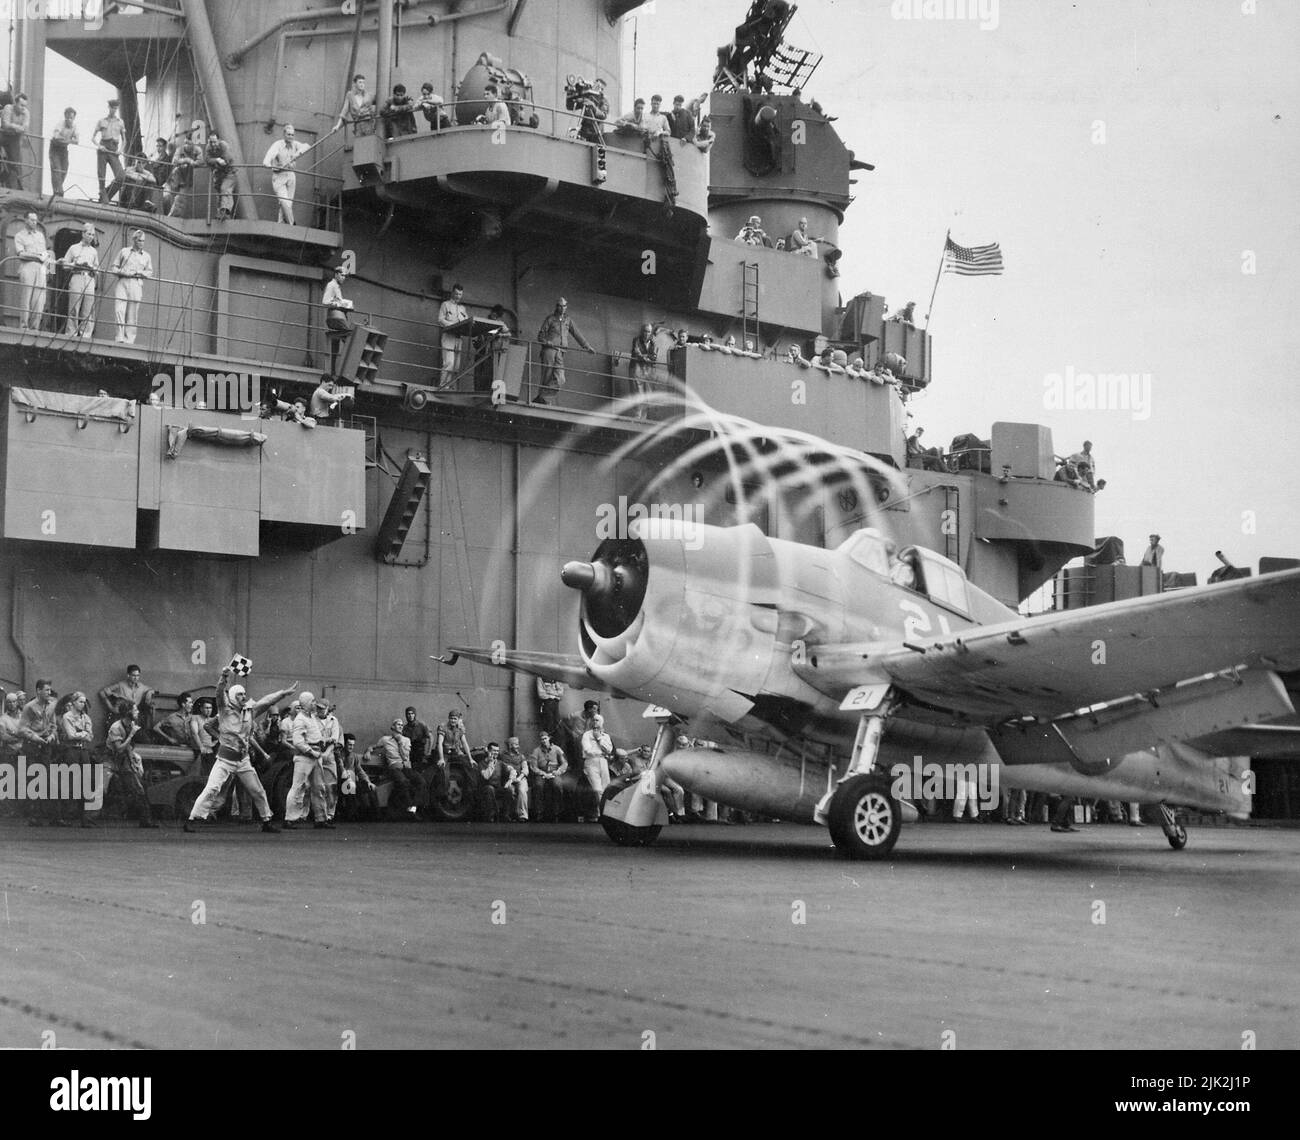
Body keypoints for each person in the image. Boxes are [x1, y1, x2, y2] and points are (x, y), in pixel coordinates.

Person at [184, 666, 294, 833]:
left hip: (243, 760)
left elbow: (266, 701)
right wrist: (224, 675)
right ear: (233, 697)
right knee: (212, 788)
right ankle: (193, 819)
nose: (244, 697)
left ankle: (266, 821)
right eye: (240, 694)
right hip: (225, 760)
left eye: (244, 694)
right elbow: (219, 693)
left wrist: (283, 693)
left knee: (257, 790)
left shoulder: (249, 711)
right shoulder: (224, 710)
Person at [104, 704, 159, 828]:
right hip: (112, 759)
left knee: (138, 787)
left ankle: (145, 820)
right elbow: (118, 748)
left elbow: (127, 748)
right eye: (135, 710)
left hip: (124, 759)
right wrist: (131, 734)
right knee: (134, 788)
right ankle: (145, 820)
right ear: (127, 712)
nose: (138, 712)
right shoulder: (116, 727)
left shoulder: (130, 724)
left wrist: (133, 759)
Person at [534, 297, 594, 405]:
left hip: (560, 352)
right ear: (557, 307)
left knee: (560, 379)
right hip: (549, 350)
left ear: (566, 307)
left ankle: (542, 397)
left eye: (564, 306)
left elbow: (577, 334)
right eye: (560, 306)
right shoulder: (550, 319)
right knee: (546, 376)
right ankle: (544, 401)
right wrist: (546, 341)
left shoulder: (568, 320)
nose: (562, 308)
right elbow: (540, 336)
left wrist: (587, 346)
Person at [19, 680, 60, 827]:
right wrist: (35, 737)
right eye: (47, 690)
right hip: (32, 745)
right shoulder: (29, 707)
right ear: (38, 691)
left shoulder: (51, 707)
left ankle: (52, 816)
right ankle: (34, 817)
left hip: (46, 745)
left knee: (49, 779)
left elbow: (54, 726)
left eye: (50, 690)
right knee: (34, 780)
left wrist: (51, 736)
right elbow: (22, 729)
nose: (49, 693)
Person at [371, 718, 428, 816]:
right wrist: (368, 751)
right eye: (398, 724)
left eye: (402, 725)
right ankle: (409, 808)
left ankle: (413, 806)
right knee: (403, 782)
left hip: (405, 767)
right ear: (393, 727)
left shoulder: (406, 740)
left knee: (421, 781)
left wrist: (400, 741)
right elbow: (374, 746)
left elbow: (405, 756)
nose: (401, 726)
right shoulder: (385, 739)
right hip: (394, 767)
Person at [57, 691, 96, 828]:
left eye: (84, 701)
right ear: (73, 702)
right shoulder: (67, 717)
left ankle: (86, 819)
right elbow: (70, 735)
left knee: (86, 782)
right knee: (70, 781)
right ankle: (66, 816)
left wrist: (82, 734)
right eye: (80, 701)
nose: (83, 704)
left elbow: (90, 736)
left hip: (83, 750)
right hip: (71, 751)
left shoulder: (86, 717)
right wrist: (83, 733)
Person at [110, 229, 153, 344]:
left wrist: (140, 273)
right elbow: (114, 268)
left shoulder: (146, 256)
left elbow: (149, 272)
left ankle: (129, 339)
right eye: (139, 241)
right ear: (134, 240)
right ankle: (119, 337)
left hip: (136, 283)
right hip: (123, 281)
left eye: (143, 241)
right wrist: (123, 272)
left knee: (133, 313)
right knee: (119, 310)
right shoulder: (124, 252)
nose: (141, 243)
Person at [262, 122, 310, 224]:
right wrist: (270, 165)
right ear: (284, 134)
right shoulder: (277, 145)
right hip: (279, 176)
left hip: (291, 175)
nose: (291, 137)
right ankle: (292, 223)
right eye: (288, 134)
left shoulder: (295, 144)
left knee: (288, 204)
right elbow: (267, 159)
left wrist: (296, 154)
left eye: (292, 135)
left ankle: (281, 224)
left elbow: (307, 146)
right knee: (284, 201)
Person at [62, 223, 100, 338]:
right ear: (83, 234)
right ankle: (71, 333)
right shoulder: (73, 248)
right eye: (89, 234)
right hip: (77, 277)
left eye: (93, 235)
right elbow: (64, 264)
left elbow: (97, 269)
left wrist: (92, 268)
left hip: (89, 279)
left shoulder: (94, 251)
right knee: (74, 307)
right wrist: (74, 264)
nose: (91, 237)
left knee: (87, 309)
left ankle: (85, 335)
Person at [13, 211, 49, 331]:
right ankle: (24, 326)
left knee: (38, 301)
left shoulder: (40, 235)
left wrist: (43, 259)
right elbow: (21, 254)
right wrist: (37, 256)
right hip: (27, 267)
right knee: (26, 299)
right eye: (32, 220)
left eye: (36, 220)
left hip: (40, 268)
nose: (35, 222)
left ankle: (35, 327)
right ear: (25, 220)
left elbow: (44, 253)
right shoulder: (19, 236)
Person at [580, 713, 615, 821]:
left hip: (603, 762)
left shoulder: (605, 736)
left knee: (605, 788)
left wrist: (599, 739)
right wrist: (601, 751)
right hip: (591, 762)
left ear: (601, 722)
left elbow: (609, 750)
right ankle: (601, 814)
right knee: (597, 789)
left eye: (597, 720)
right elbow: (587, 750)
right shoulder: (586, 735)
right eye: (594, 720)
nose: (595, 722)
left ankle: (604, 814)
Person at [528, 730, 567, 822]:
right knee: (538, 786)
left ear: (549, 738)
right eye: (542, 739)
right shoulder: (536, 751)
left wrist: (558, 771)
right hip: (542, 774)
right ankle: (539, 813)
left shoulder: (557, 749)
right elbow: (533, 766)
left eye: (545, 738)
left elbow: (564, 763)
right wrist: (543, 774)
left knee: (557, 785)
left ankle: (557, 813)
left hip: (554, 773)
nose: (544, 741)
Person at [322, 265, 354, 374]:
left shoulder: (336, 286)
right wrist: (339, 304)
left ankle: (333, 371)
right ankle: (351, 366)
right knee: (350, 338)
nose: (343, 278)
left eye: (345, 276)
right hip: (336, 318)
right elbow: (325, 302)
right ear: (336, 274)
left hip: (337, 317)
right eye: (342, 275)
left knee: (336, 345)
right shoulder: (332, 285)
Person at [92, 98, 125, 203]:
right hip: (103, 148)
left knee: (121, 177)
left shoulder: (120, 122)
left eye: (116, 108)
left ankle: (107, 193)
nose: (114, 110)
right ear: (109, 108)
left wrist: (121, 150)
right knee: (101, 175)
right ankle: (103, 193)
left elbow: (125, 140)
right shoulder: (102, 121)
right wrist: (99, 146)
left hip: (114, 150)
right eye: (112, 108)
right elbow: (93, 138)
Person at [437, 282, 469, 385]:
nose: (458, 296)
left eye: (460, 294)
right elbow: (440, 319)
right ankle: (443, 386)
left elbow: (467, 321)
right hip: (449, 337)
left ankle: (451, 386)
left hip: (458, 339)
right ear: (452, 293)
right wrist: (452, 325)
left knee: (456, 366)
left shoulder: (462, 309)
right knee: (449, 363)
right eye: (456, 294)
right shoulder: (445, 305)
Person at [163, 135, 202, 218]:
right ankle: (167, 215)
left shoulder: (197, 150)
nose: (186, 146)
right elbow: (175, 161)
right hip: (176, 176)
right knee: (167, 196)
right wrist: (187, 160)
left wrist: (193, 162)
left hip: (187, 179)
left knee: (180, 200)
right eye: (185, 143)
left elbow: (200, 161)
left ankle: (172, 218)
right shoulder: (180, 149)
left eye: (188, 144)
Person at [627, 322, 658, 420]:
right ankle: (637, 417)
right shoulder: (636, 340)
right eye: (645, 331)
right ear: (642, 331)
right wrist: (646, 358)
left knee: (647, 394)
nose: (647, 334)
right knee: (638, 392)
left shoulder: (653, 343)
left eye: (649, 332)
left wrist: (646, 358)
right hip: (637, 368)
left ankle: (643, 418)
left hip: (647, 370)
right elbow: (637, 353)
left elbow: (654, 357)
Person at [0, 92, 30, 190]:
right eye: (21, 105)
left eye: (25, 106)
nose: (23, 108)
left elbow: (25, 128)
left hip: (14, 138)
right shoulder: (8, 108)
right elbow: (5, 124)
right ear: (15, 103)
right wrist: (17, 127)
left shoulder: (26, 113)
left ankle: (12, 187)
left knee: (15, 164)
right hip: (3, 135)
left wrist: (13, 127)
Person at [205, 129, 237, 219]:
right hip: (218, 175)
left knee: (225, 189)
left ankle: (225, 213)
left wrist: (215, 162)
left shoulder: (224, 146)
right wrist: (217, 160)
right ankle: (220, 212)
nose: (213, 144)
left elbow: (226, 160)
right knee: (219, 193)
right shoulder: (208, 147)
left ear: (218, 140)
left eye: (215, 142)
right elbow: (207, 159)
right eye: (211, 142)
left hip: (229, 173)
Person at [473, 741, 507, 821]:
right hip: (485, 789)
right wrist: (491, 763)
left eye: (497, 751)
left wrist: (512, 777)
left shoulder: (500, 763)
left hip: (497, 788)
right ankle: (492, 815)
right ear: (488, 751)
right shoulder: (481, 764)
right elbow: (486, 776)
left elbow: (509, 770)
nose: (496, 753)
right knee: (490, 789)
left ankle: (506, 815)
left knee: (509, 789)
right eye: (494, 751)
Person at [47, 106, 78, 196]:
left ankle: (58, 188)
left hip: (63, 149)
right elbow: (56, 136)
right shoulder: (60, 124)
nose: (69, 120)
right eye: (67, 118)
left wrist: (65, 140)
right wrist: (68, 140)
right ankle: (58, 191)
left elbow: (77, 141)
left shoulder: (74, 127)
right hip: (55, 149)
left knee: (64, 169)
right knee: (57, 169)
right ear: (65, 117)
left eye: (71, 118)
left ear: (74, 118)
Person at [501, 736, 530, 821]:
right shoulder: (502, 756)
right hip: (509, 779)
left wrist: (519, 778)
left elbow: (525, 769)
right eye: (516, 744)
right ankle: (510, 814)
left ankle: (522, 816)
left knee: (521, 790)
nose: (518, 746)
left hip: (521, 778)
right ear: (510, 745)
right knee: (509, 790)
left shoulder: (521, 756)